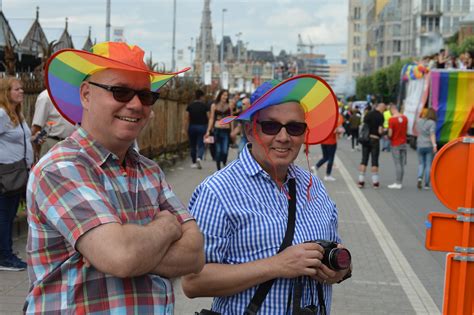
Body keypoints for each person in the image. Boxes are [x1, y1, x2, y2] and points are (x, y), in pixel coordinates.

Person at [24, 42, 204, 313]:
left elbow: (195, 255)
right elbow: (121, 257)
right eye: (120, 92)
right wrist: (166, 228)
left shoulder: (149, 171)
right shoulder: (60, 168)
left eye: (145, 96)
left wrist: (131, 250)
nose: (135, 105)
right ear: (86, 95)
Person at [182, 76, 352, 314]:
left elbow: (336, 251)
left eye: (294, 127)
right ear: (250, 131)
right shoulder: (218, 191)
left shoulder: (314, 186)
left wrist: (340, 269)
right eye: (271, 126)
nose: (283, 137)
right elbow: (193, 282)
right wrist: (276, 266)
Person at [0, 77, 32, 271]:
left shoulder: (15, 114)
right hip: (6, 173)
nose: (21, 92)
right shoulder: (2, 114)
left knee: (9, 214)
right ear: (6, 92)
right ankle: (5, 257)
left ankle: (6, 252)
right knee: (4, 215)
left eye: (22, 88)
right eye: (17, 89)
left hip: (17, 171)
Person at [31, 89, 75, 161]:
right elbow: (37, 128)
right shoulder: (46, 96)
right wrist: (37, 154)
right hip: (51, 143)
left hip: (71, 145)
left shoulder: (73, 94)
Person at [358, 103, 385, 188]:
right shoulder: (380, 116)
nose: (384, 110)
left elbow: (364, 126)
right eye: (384, 108)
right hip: (375, 140)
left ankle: (361, 181)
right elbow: (380, 130)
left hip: (366, 140)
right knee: (374, 161)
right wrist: (384, 132)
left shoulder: (368, 114)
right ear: (381, 108)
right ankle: (375, 182)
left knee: (364, 160)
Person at [205, 89, 232, 170]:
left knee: (225, 151)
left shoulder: (229, 105)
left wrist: (232, 131)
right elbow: (211, 118)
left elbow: (231, 118)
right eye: (223, 95)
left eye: (226, 95)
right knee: (218, 150)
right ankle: (218, 168)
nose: (225, 97)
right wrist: (208, 130)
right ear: (220, 95)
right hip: (217, 130)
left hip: (226, 130)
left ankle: (223, 161)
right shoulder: (214, 105)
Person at [387, 105, 408, 189]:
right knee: (402, 164)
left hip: (395, 143)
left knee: (397, 163)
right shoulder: (405, 118)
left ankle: (397, 183)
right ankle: (400, 182)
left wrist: (389, 137)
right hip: (403, 142)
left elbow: (390, 133)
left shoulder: (391, 119)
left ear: (392, 110)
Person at [187, 89, 209, 169]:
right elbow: (208, 117)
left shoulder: (190, 105)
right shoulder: (204, 106)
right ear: (201, 97)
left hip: (192, 127)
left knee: (192, 145)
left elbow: (186, 118)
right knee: (201, 144)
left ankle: (193, 162)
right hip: (202, 127)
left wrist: (185, 128)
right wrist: (209, 128)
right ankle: (199, 157)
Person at [416, 108, 437, 190]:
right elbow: (432, 134)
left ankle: (419, 178)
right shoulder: (432, 123)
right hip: (428, 145)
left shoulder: (419, 121)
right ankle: (427, 184)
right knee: (428, 165)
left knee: (421, 164)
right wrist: (434, 145)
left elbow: (418, 131)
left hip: (420, 144)